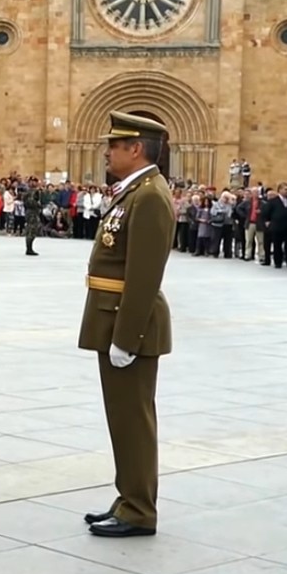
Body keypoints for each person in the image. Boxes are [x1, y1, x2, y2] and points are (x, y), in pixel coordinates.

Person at [78, 111, 175, 539]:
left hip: (126, 323)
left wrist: (126, 336)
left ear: (135, 149)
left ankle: (139, 509)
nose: (107, 153)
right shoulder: (133, 192)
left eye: (114, 147)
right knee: (122, 418)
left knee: (133, 420)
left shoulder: (150, 195)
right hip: (111, 316)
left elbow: (144, 275)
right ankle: (127, 497)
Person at [23, 182, 42, 256]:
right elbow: (31, 203)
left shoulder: (27, 193)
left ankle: (29, 248)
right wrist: (39, 206)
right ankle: (29, 249)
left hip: (29, 213)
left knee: (30, 231)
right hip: (32, 214)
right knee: (32, 231)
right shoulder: (33, 193)